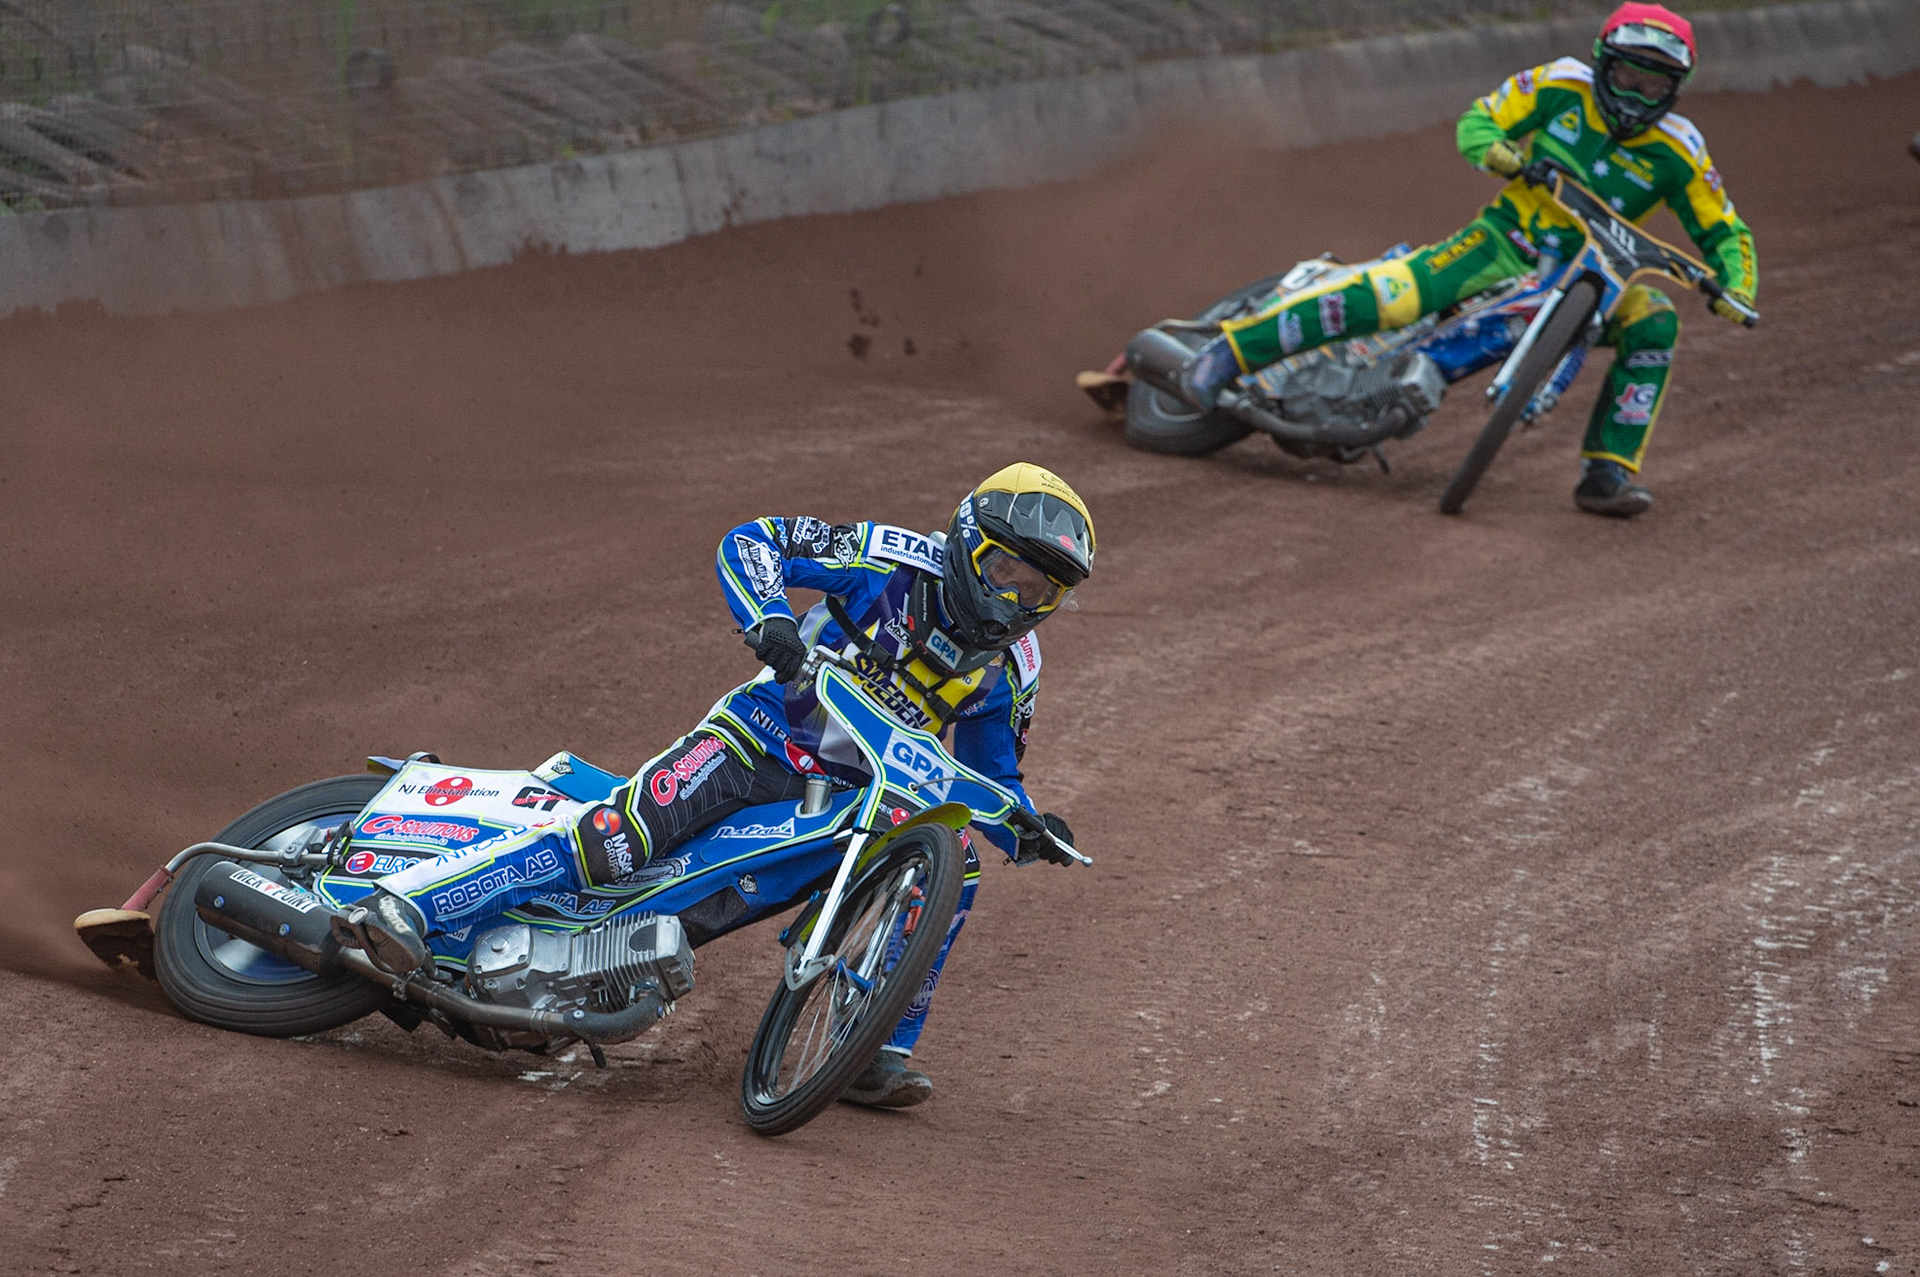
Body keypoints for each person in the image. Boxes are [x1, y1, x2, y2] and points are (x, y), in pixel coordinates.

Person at [341, 462, 1096, 1108]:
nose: (1015, 600)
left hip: (843, 803)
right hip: (755, 738)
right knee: (614, 842)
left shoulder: (1015, 667)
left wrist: (1030, 825)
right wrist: (768, 618)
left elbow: (988, 773)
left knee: (948, 859)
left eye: (1040, 591)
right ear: (968, 542)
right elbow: (755, 540)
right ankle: (407, 904)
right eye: (1006, 572)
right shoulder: (890, 559)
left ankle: (872, 1045)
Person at [1180, 2, 1755, 517]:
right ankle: (1224, 355)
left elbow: (1726, 229)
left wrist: (1737, 288)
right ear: (1603, 63)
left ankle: (1607, 472)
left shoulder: (1682, 149)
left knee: (1656, 320)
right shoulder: (1559, 83)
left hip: (1602, 272)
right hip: (1506, 239)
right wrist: (1505, 157)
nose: (1634, 95)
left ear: (1675, 89)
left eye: (1653, 87)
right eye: (1628, 76)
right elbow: (1479, 121)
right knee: (1398, 295)